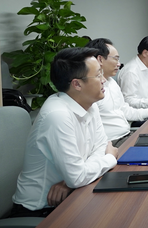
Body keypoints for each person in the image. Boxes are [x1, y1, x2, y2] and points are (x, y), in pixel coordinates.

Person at [11, 47, 119, 216]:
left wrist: (72, 180)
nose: (104, 80)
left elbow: (100, 147)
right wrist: (110, 158)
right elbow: (79, 176)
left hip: (72, 193)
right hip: (40, 209)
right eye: (98, 75)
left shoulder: (89, 104)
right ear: (77, 84)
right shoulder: (58, 115)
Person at [87, 38, 148, 147]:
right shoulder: (91, 90)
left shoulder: (111, 83)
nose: (119, 64)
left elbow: (125, 109)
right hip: (113, 141)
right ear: (100, 59)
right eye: (115, 59)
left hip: (126, 134)